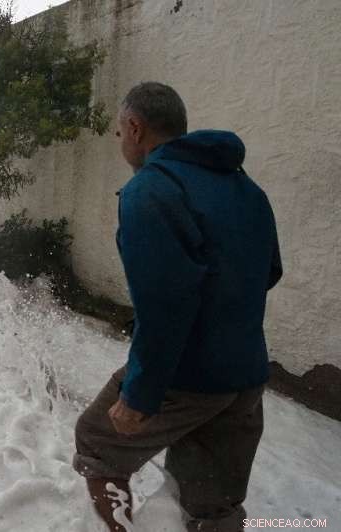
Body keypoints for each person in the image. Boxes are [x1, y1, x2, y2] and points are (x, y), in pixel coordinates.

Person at [72, 82, 282, 532]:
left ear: (135, 127)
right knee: (210, 506)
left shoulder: (150, 190)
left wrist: (139, 396)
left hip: (188, 375)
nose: (121, 143)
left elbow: (165, 307)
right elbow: (269, 272)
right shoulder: (248, 189)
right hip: (246, 374)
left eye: (120, 133)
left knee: (97, 444)